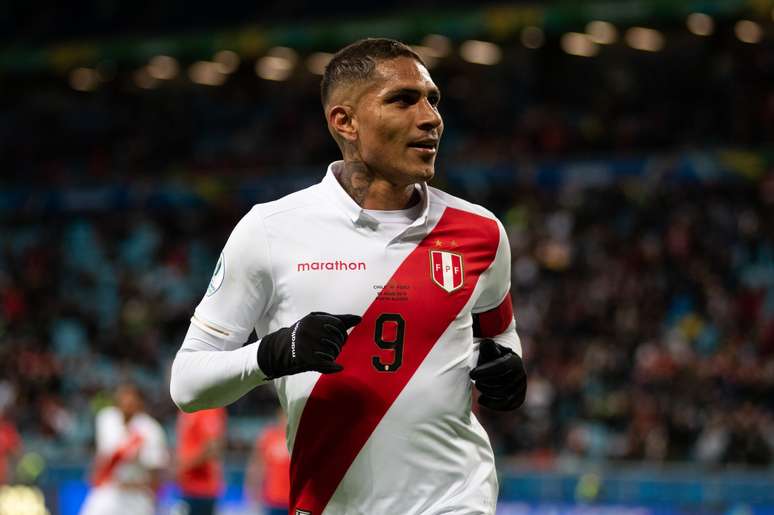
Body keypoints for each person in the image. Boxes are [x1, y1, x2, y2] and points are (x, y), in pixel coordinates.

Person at [170, 37, 527, 514]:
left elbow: (499, 333)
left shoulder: (480, 233)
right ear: (345, 121)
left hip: (456, 500)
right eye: (403, 100)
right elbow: (187, 385)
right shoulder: (270, 231)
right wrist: (272, 355)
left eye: (433, 100)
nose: (430, 117)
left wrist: (509, 370)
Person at [80, 383, 169, 515]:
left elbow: (156, 469)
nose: (127, 402)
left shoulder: (151, 429)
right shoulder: (107, 419)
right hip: (108, 490)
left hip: (137, 494)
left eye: (131, 398)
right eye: (123, 397)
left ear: (140, 402)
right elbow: (104, 456)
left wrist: (153, 496)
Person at [176, 407, 227, 515]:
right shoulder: (186, 409)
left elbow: (213, 447)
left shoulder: (209, 409)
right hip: (187, 487)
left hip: (203, 490)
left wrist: (184, 466)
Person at [245, 409, 290, 515]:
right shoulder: (269, 437)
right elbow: (257, 465)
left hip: (295, 498)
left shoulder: (299, 437)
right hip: (273, 498)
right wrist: (252, 489)